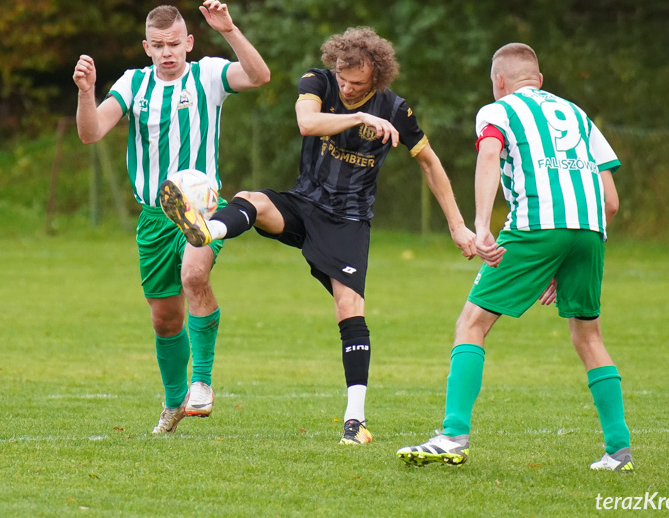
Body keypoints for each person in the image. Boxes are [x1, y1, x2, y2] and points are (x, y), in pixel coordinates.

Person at [160, 26, 477, 444]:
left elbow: (431, 164)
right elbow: (307, 123)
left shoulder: (395, 108)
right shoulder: (317, 81)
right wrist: (359, 116)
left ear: (377, 79)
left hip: (347, 220)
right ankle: (208, 228)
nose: (346, 87)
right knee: (252, 199)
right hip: (304, 202)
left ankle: (355, 419)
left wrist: (457, 224)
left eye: (357, 84)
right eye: (342, 78)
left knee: (350, 306)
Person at [396, 43, 634, 471]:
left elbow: (489, 155)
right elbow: (611, 200)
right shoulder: (578, 114)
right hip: (591, 230)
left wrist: (483, 225)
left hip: (536, 226)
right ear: (539, 79)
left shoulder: (497, 110)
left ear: (498, 83)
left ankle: (452, 436)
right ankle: (619, 451)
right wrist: (574, 249)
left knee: (471, 324)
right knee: (589, 337)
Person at [72, 0, 270, 434]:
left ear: (189, 42)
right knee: (165, 318)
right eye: (158, 45)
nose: (166, 53)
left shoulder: (210, 75)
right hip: (154, 217)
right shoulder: (132, 85)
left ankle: (202, 383)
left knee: (194, 276)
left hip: (200, 206)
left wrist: (230, 30)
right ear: (147, 48)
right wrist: (87, 93)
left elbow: (259, 75)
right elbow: (91, 133)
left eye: (174, 44)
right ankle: (174, 400)